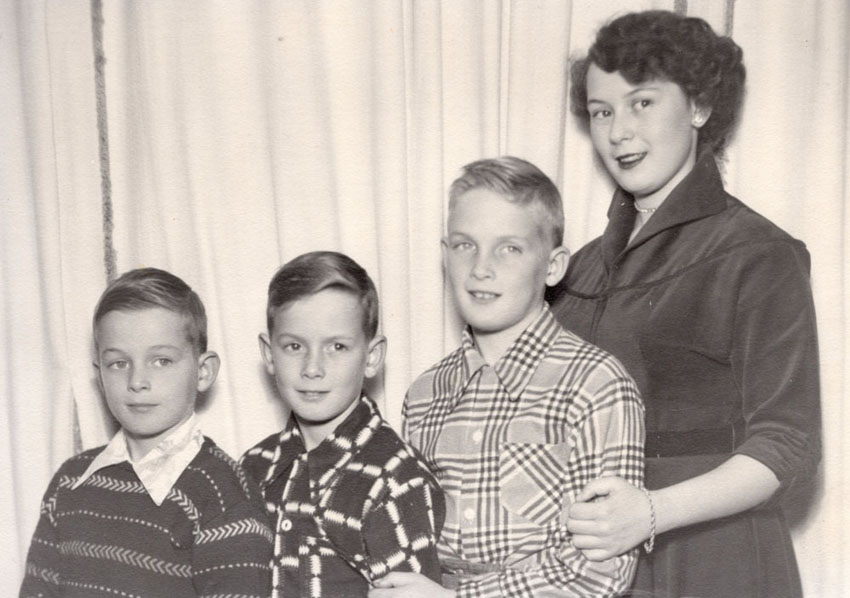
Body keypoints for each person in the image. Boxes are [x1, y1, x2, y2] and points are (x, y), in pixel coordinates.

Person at [546, 10, 822, 598]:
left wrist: (651, 512)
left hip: (717, 564)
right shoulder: (577, 269)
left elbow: (787, 444)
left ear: (699, 106)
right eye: (602, 111)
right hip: (593, 567)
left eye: (642, 103)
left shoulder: (757, 252)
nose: (618, 132)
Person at [371, 156, 645, 598]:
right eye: (465, 245)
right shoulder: (424, 394)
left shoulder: (596, 384)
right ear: (444, 255)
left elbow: (601, 571)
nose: (481, 267)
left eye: (509, 248)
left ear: (553, 266)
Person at [19, 268, 273, 598]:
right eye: (118, 363)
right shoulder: (71, 481)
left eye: (161, 361)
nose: (137, 381)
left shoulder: (223, 495)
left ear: (203, 371)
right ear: (100, 376)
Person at [240, 251, 445, 598]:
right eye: (294, 346)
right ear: (269, 353)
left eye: (336, 346)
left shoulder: (395, 480)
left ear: (372, 356)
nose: (312, 368)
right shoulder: (253, 466)